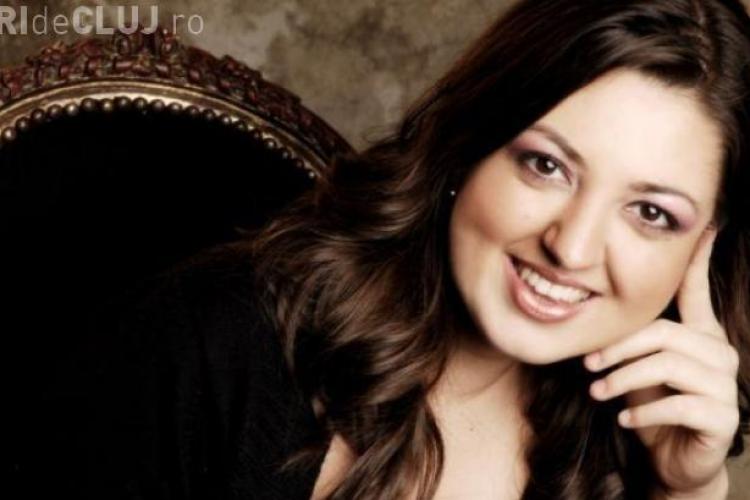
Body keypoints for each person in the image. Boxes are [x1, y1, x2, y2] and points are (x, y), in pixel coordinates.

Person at [99, 0, 750, 499]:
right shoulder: (218, 338)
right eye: (547, 166)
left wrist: (684, 492)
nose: (572, 248)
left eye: (651, 213)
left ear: (704, 249)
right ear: (470, 143)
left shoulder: (637, 441)